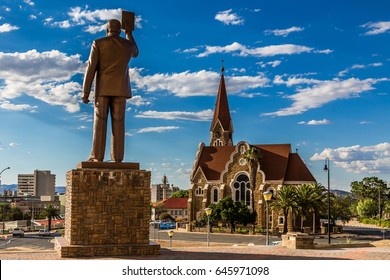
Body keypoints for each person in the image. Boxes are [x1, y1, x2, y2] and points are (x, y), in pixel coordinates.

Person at [82, 19, 139, 162]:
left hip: (103, 89)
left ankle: (97, 157)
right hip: (121, 89)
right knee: (119, 122)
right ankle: (118, 158)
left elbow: (91, 68)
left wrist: (85, 92)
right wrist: (129, 34)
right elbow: (135, 53)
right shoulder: (127, 45)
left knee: (100, 122)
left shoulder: (99, 43)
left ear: (107, 29)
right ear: (119, 30)